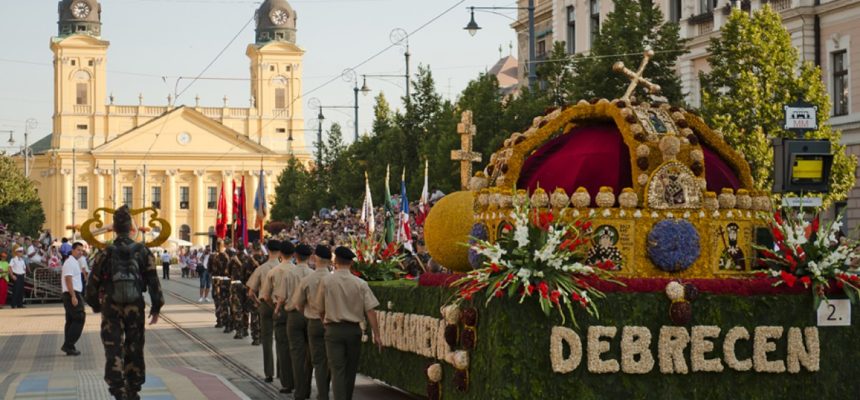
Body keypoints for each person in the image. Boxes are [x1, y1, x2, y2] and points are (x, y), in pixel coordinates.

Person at [86, 205, 164, 400]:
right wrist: (156, 307)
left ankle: (118, 392)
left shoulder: (105, 252)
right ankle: (133, 390)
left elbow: (91, 285)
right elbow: (154, 281)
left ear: (114, 229)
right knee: (134, 347)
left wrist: (96, 305)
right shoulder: (143, 251)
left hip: (111, 306)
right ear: (131, 228)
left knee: (113, 349)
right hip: (135, 307)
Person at [315, 246, 382, 400]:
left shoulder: (326, 281)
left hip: (333, 329)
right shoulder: (360, 283)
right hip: (353, 331)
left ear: (335, 261)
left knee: (337, 369)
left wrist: (324, 322)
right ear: (351, 263)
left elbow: (319, 308)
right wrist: (377, 334)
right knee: (350, 369)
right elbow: (370, 310)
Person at [292, 244, 333, 400]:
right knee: (331, 360)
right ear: (330, 261)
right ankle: (324, 390)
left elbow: (297, 304)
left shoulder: (308, 279)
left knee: (317, 360)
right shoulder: (333, 279)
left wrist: (308, 313)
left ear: (315, 259)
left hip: (314, 323)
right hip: (332, 323)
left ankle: (322, 395)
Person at [263, 240, 296, 394]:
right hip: (297, 312)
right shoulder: (299, 271)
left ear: (281, 254)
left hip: (281, 310)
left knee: (282, 348)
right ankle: (300, 382)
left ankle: (287, 383)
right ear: (293, 254)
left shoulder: (273, 271)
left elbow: (265, 296)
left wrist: (274, 308)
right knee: (298, 349)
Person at [247, 239, 281, 381]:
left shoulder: (261, 268)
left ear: (267, 250)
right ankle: (282, 372)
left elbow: (250, 292)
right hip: (279, 306)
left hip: (265, 306)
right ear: (280, 252)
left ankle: (269, 373)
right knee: (281, 340)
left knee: (266, 340)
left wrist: (257, 303)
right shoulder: (285, 268)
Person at [284, 244, 314, 399]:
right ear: (310, 257)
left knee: (296, 354)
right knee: (310, 354)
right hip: (310, 314)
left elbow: (281, 296)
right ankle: (308, 388)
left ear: (295, 255)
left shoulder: (289, 273)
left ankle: (300, 391)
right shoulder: (313, 273)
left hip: (294, 315)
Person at [61, 242, 85, 356]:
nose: (80, 252)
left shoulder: (74, 262)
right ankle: (68, 344)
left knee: (71, 321)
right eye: (78, 250)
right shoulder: (69, 262)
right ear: (72, 250)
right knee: (79, 318)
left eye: (82, 250)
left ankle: (69, 346)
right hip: (72, 293)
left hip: (73, 293)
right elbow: (68, 279)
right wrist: (73, 296)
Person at [209, 240, 231, 330]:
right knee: (225, 302)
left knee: (217, 302)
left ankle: (219, 320)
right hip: (225, 281)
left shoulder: (212, 256)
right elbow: (229, 270)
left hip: (215, 281)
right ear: (223, 246)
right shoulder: (227, 256)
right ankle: (226, 322)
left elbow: (209, 269)